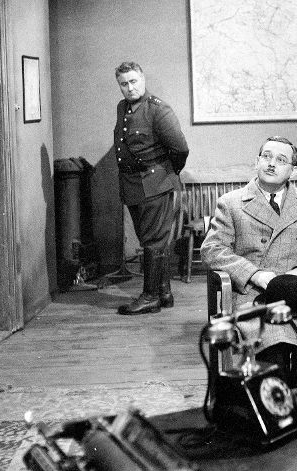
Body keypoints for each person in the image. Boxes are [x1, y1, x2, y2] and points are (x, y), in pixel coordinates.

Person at [200, 136, 297, 388]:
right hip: (253, 294)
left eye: (281, 160)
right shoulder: (231, 203)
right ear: (257, 162)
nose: (271, 163)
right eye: (266, 156)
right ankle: (275, 406)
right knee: (273, 346)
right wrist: (255, 275)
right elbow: (212, 249)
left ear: (292, 171)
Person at [113, 61, 189, 315]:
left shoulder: (158, 109)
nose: (130, 88)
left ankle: (150, 297)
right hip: (133, 186)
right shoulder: (122, 108)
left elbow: (180, 149)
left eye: (133, 81)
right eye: (124, 84)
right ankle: (164, 293)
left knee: (154, 240)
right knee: (151, 240)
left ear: (143, 80)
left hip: (155, 184)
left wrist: (167, 175)